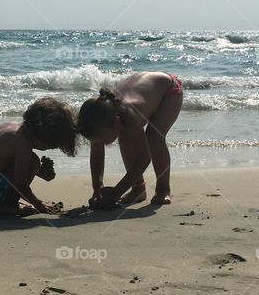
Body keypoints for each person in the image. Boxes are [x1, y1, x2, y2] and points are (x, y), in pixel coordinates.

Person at [77, 71, 183, 208]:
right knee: (125, 138)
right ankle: (138, 188)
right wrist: (97, 188)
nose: (100, 143)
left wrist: (116, 192)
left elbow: (144, 159)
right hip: (146, 90)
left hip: (169, 90)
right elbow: (97, 156)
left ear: (116, 122)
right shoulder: (95, 118)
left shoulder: (129, 113)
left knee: (154, 136)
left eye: (102, 140)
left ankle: (163, 189)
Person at [0, 98, 77, 215]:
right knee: (33, 161)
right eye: (50, 146)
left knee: (32, 161)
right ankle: (9, 205)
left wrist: (40, 172)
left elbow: (3, 163)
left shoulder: (14, 128)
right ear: (42, 139)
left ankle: (6, 202)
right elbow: (20, 185)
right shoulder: (23, 145)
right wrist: (38, 204)